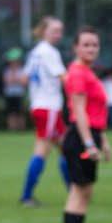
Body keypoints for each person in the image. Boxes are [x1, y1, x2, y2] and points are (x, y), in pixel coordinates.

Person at [60, 27, 111, 223]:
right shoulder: (78, 73)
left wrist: (103, 141)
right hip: (81, 137)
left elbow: (95, 111)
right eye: (86, 45)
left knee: (85, 192)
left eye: (95, 45)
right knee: (79, 193)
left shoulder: (87, 72)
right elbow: (79, 111)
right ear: (76, 48)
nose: (91, 49)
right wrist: (90, 143)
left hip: (90, 134)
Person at [20, 17, 69, 207]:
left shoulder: (35, 52)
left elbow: (24, 79)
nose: (59, 34)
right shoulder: (49, 52)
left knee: (65, 148)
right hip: (48, 106)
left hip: (43, 106)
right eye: (55, 30)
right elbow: (64, 78)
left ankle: (75, 191)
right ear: (44, 31)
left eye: (60, 30)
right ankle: (26, 196)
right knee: (42, 150)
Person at [2, 50, 28, 132]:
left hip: (19, 94)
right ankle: (12, 129)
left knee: (20, 112)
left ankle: (21, 128)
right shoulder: (7, 70)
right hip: (10, 94)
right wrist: (17, 79)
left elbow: (24, 82)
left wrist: (14, 80)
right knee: (11, 113)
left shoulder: (22, 70)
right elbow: (6, 81)